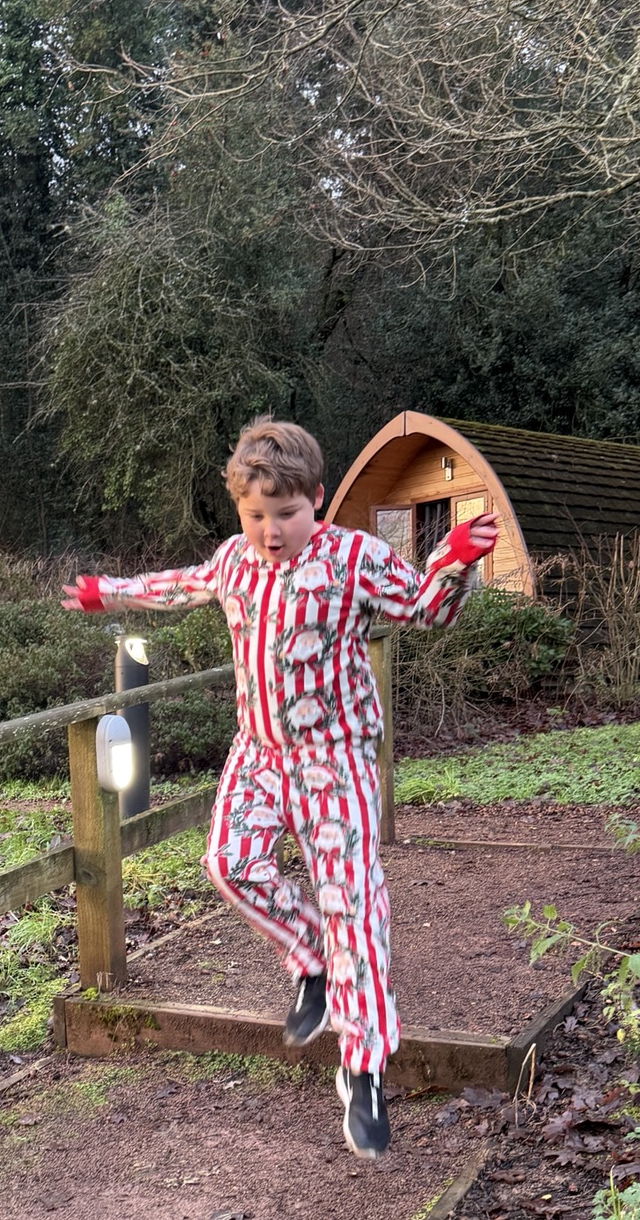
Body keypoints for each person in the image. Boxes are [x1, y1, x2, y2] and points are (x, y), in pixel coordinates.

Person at [63, 417, 497, 1159]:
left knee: (352, 905)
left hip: (336, 759)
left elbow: (425, 609)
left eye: (286, 515)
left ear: (318, 500)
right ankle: (310, 959)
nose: (271, 531)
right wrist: (112, 594)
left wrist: (451, 561)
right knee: (228, 864)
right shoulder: (235, 562)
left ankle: (363, 1067)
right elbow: (181, 585)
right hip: (260, 752)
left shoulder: (355, 559)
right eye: (257, 516)